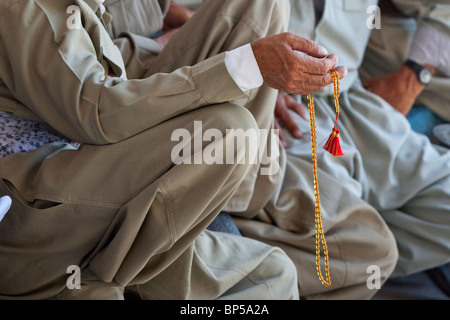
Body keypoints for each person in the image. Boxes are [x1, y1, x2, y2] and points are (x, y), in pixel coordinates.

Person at [0, 0, 355, 300]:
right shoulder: (30, 8)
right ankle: (102, 280)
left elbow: (108, 63)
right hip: (39, 216)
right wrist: (249, 65)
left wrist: (241, 63)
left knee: (274, 278)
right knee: (229, 133)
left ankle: (206, 205)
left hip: (99, 172)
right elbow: (96, 111)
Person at [260, 0, 449, 299]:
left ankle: (342, 268)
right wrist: (251, 77)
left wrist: (412, 76)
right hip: (282, 106)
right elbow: (179, 24)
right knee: (352, 239)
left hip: (354, 102)